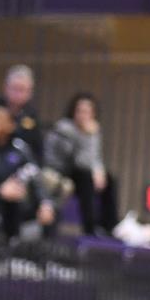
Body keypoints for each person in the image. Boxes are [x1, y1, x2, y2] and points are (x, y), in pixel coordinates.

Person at [0, 102, 56, 240]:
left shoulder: (18, 146)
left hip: (16, 200)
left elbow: (33, 174)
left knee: (42, 200)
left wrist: (45, 203)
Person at [45, 93, 118, 236]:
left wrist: (99, 171)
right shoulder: (64, 129)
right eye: (80, 111)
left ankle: (109, 227)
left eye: (88, 112)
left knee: (109, 179)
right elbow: (79, 160)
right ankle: (89, 228)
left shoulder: (93, 129)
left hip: (81, 170)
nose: (84, 115)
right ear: (73, 111)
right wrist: (88, 137)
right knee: (86, 177)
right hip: (61, 170)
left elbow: (95, 157)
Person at [0, 65, 41, 141]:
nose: (18, 94)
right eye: (14, 88)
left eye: (22, 89)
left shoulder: (31, 114)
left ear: (30, 92)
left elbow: (37, 145)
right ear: (5, 88)